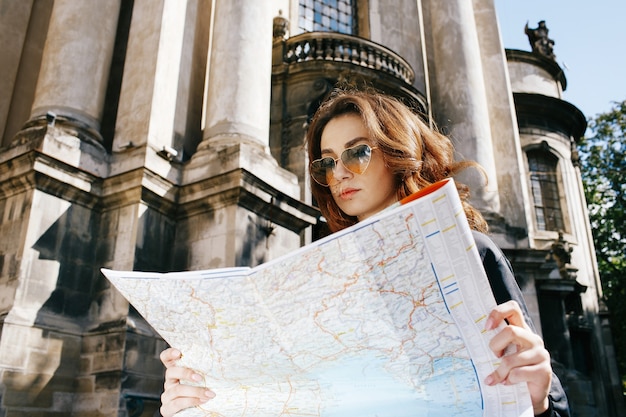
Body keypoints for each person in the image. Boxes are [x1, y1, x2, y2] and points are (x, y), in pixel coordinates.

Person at [159, 89, 570, 416]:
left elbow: (544, 403)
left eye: (357, 152)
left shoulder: (469, 254)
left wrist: (537, 402)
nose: (338, 173)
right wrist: (198, 404)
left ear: (397, 151)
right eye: (326, 162)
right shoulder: (314, 278)